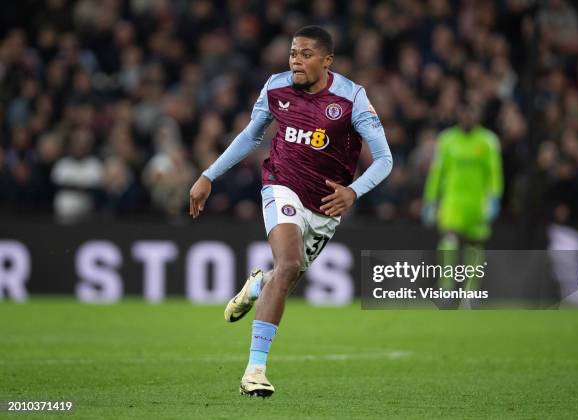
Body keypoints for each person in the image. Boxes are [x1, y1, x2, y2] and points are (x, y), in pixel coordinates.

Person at [188, 26, 392, 397]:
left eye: (306, 54)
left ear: (326, 61)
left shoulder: (351, 99)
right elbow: (251, 136)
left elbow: (384, 159)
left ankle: (257, 286)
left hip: (327, 205)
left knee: (287, 274)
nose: (296, 60)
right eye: (293, 52)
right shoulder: (276, 87)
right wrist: (208, 175)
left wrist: (354, 191)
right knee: (288, 264)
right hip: (282, 184)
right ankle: (254, 371)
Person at [422, 100, 503, 302]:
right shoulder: (447, 139)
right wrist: (430, 200)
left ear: (478, 117)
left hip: (477, 204)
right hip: (452, 202)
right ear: (459, 116)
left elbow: (494, 173)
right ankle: (447, 289)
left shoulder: (488, 141)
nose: (468, 118)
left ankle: (470, 292)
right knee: (449, 242)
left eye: (472, 114)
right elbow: (437, 173)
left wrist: (494, 198)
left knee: (474, 247)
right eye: (465, 114)